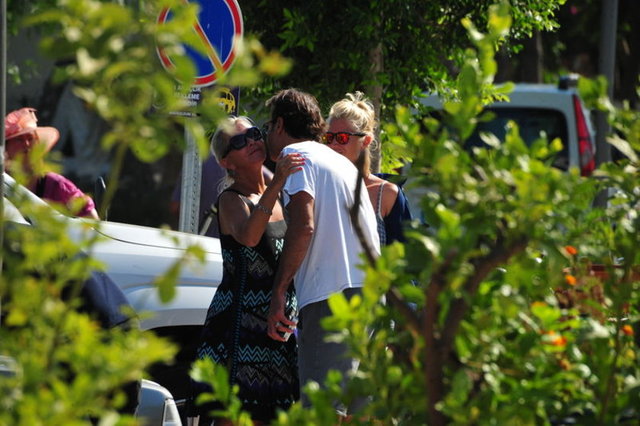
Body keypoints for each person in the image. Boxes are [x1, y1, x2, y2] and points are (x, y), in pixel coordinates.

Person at [263, 89, 380, 415]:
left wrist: (279, 290)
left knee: (321, 412)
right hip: (370, 295)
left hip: (333, 296)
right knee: (357, 413)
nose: (267, 135)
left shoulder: (295, 157)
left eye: (268, 127)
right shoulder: (340, 163)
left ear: (280, 125)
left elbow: (304, 226)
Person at [189, 116, 304, 425]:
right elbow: (250, 236)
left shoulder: (283, 195)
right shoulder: (231, 200)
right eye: (239, 141)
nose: (252, 142)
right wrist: (277, 182)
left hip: (278, 327)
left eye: (253, 134)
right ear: (227, 162)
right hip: (239, 331)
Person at [326, 91, 412, 245]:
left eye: (342, 138)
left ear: (365, 141)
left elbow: (403, 254)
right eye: (328, 137)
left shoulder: (386, 194)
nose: (333, 145)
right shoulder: (319, 187)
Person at [4, 107, 100, 219]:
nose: (26, 144)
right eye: (19, 139)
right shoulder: (3, 181)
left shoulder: (54, 184)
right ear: (6, 147)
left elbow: (91, 217)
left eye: (30, 138)